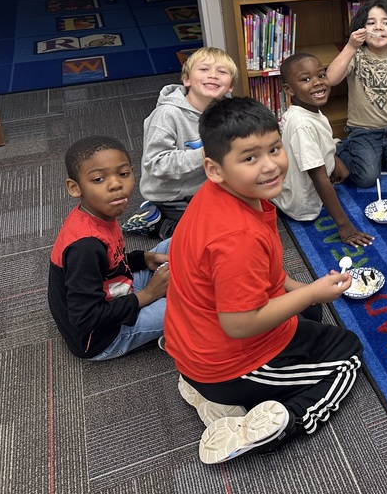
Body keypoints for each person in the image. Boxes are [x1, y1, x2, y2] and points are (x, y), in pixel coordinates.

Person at [164, 97, 363, 465]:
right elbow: (239, 324)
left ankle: (214, 395)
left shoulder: (225, 196)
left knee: (313, 315)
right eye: (250, 157)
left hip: (194, 345)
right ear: (214, 168)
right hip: (227, 361)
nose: (271, 165)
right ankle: (284, 423)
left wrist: (305, 294)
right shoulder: (237, 238)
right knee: (347, 355)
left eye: (274, 148)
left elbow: (269, 277)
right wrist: (313, 293)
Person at [48, 136, 171, 360]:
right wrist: (150, 294)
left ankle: (182, 287)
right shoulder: (84, 247)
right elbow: (86, 318)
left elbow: (111, 262)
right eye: (98, 179)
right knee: (189, 308)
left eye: (123, 174)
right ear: (75, 188)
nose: (115, 184)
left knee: (172, 244)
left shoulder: (100, 211)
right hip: (102, 337)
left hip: (119, 290)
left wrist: (143, 258)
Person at [125, 47, 238, 239]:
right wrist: (205, 153)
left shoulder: (226, 112)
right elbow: (155, 164)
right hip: (174, 195)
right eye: (204, 69)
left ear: (230, 87)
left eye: (222, 71)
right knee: (205, 238)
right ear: (186, 80)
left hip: (205, 186)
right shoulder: (167, 115)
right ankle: (158, 221)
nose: (213, 75)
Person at [273, 53, 373, 247]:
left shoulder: (307, 110)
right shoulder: (302, 124)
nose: (318, 83)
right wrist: (344, 226)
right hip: (304, 205)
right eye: (305, 79)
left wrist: (334, 160)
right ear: (289, 89)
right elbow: (318, 177)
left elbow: (319, 144)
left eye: (321, 75)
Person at [326, 0, 387, 187]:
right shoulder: (356, 54)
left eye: (386, 23)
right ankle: (338, 148)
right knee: (366, 179)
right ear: (361, 29)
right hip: (363, 131)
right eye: (371, 23)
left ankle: (380, 153)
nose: (379, 27)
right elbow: (331, 79)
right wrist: (351, 46)